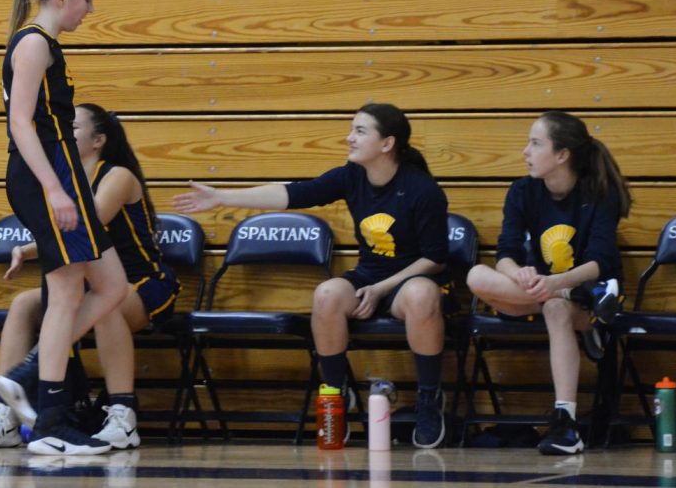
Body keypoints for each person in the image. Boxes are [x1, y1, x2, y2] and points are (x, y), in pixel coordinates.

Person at [173, 103, 452, 448]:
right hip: (369, 277)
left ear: (387, 143)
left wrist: (381, 289)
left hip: (408, 281)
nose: (349, 138)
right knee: (326, 295)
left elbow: (435, 259)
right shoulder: (351, 176)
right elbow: (291, 193)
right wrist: (221, 197)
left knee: (422, 294)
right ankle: (336, 394)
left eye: (360, 131)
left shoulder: (422, 189)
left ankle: (429, 399)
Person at [0, 103, 180, 451]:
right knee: (24, 303)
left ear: (98, 140)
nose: (63, 133)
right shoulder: (62, 177)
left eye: (73, 127)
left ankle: (122, 414)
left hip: (146, 282)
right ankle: (5, 413)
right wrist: (29, 246)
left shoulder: (118, 176)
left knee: (105, 303)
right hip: (94, 283)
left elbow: (87, 224)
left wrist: (32, 246)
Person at [0, 0, 134, 455]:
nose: (89, 10)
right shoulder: (34, 43)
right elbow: (20, 125)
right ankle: (50, 418)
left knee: (110, 286)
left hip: (60, 174)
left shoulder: (46, 43)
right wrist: (55, 190)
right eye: (87, 0)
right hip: (46, 175)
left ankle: (29, 372)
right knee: (67, 291)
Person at [465, 110, 630, 455]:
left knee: (557, 307)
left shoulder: (600, 192)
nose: (525, 151)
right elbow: (506, 253)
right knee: (476, 275)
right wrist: (519, 273)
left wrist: (556, 284)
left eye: (535, 143)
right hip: (541, 291)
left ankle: (565, 425)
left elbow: (598, 262)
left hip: (586, 291)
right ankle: (568, 307)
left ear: (562, 155)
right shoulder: (523, 191)